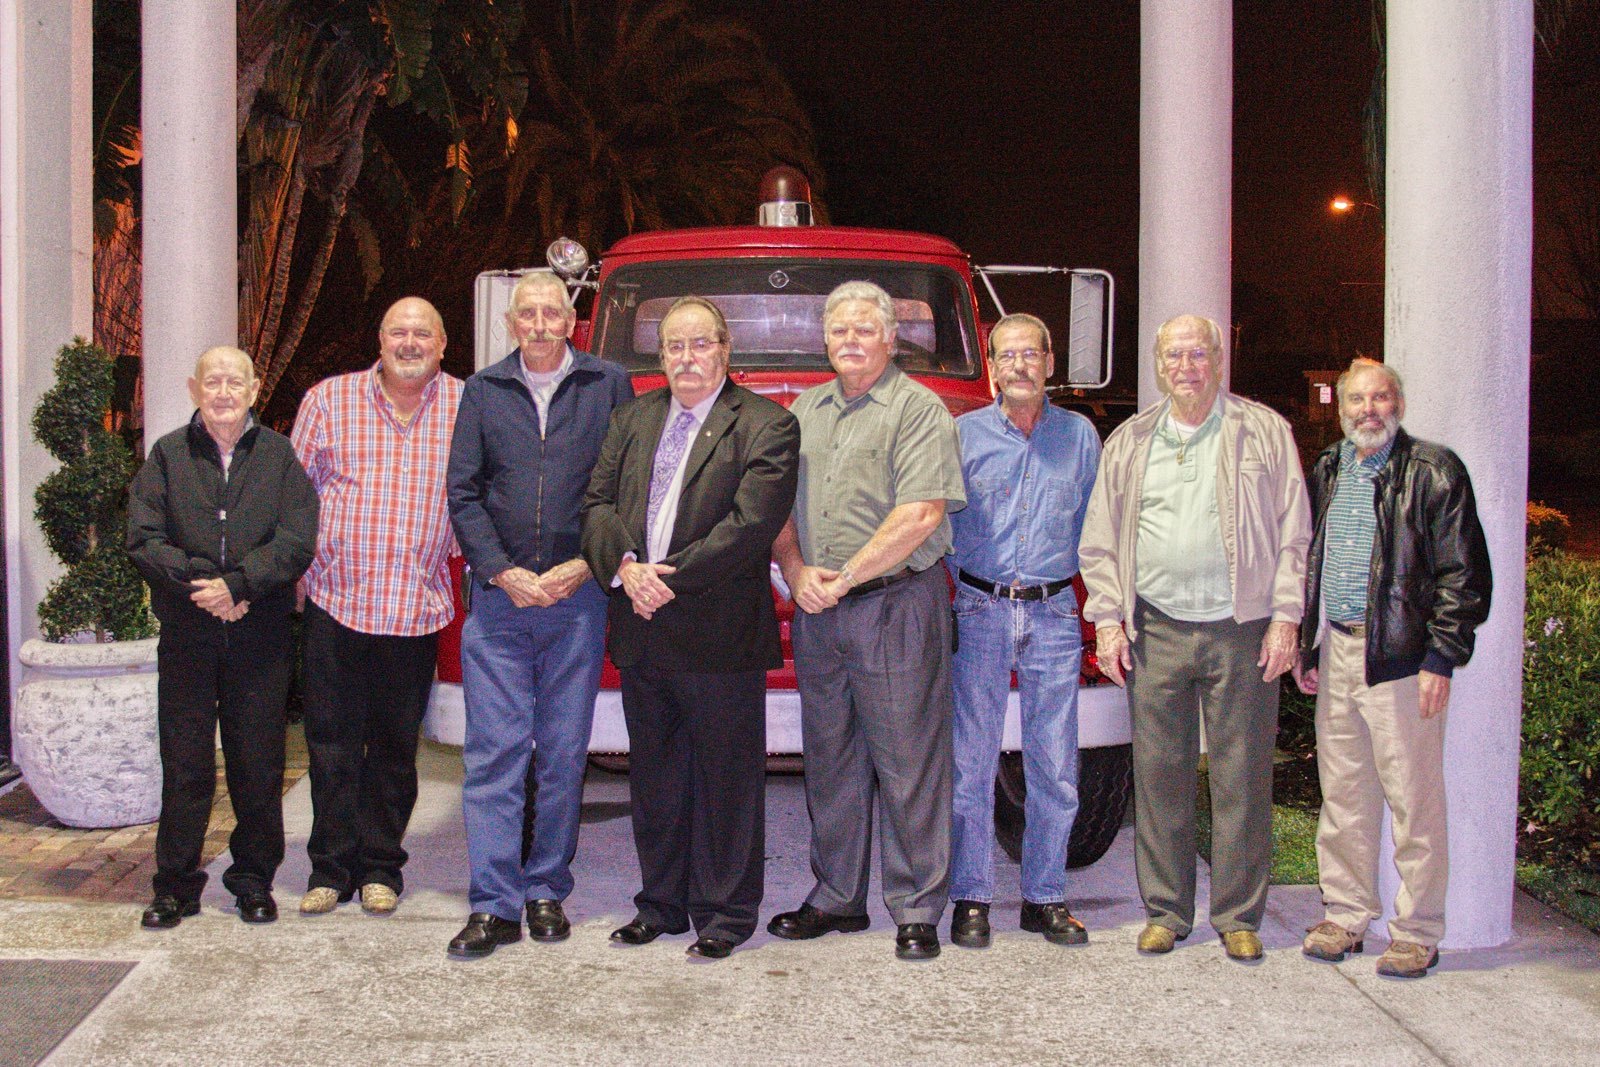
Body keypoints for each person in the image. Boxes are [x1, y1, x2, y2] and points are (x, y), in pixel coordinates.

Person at [1079, 313, 1310, 961]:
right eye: (1174, 354)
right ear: (1158, 364)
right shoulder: (1130, 440)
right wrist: (1107, 618)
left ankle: (1238, 913)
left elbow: (1295, 533)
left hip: (1243, 630)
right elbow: (1100, 537)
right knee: (1159, 773)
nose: (1187, 365)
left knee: (1241, 774)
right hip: (1155, 629)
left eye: (1198, 353)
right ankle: (1167, 910)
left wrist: (1286, 618)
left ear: (1219, 357)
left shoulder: (1264, 431)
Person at [582, 296, 800, 961]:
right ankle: (662, 905)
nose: (686, 357)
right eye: (673, 346)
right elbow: (595, 504)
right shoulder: (631, 419)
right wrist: (625, 566)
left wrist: (662, 578)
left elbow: (748, 528)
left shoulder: (767, 425)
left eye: (699, 344)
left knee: (727, 780)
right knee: (655, 777)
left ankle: (726, 912)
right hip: (644, 630)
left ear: (725, 349)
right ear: (661, 355)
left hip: (718, 633)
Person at [768, 280, 965, 961]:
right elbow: (780, 511)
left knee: (908, 761)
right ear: (825, 340)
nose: (850, 340)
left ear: (889, 338)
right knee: (831, 759)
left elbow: (922, 513)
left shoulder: (918, 409)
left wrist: (846, 577)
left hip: (895, 605)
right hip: (821, 609)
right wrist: (796, 574)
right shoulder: (804, 412)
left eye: (864, 329)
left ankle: (915, 906)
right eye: (839, 330)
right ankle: (837, 895)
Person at [442, 271, 632, 958]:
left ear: (571, 319)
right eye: (529, 314)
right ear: (512, 323)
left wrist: (586, 563)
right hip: (500, 603)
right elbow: (462, 493)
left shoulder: (606, 384)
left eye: (553, 312)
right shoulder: (483, 390)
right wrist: (503, 571)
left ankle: (546, 886)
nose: (541, 324)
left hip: (577, 600)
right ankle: (493, 904)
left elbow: (620, 486)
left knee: (559, 755)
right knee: (493, 756)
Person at [1294, 358, 1491, 979]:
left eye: (1379, 397)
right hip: (1340, 655)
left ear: (1397, 404)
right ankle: (1347, 914)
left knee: (1414, 801)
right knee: (1345, 795)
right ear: (1341, 407)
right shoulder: (1328, 466)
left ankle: (1417, 930)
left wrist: (1441, 657)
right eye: (1356, 400)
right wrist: (1309, 646)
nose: (1367, 410)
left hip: (1403, 662)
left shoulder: (1434, 471)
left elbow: (1465, 574)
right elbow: (1312, 561)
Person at [127, 346, 318, 928]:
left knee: (256, 763)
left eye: (235, 381)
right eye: (213, 382)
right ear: (194, 389)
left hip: (259, 632)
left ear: (254, 389)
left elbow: (296, 539)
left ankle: (252, 880)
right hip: (188, 632)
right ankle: (175, 885)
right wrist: (203, 586)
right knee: (184, 763)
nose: (224, 392)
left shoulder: (280, 456)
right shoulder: (166, 455)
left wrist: (239, 586)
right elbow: (142, 537)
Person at [291, 296, 463, 917]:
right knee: (331, 744)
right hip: (336, 602)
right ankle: (329, 870)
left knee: (395, 747)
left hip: (416, 607)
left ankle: (381, 868)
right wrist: (299, 574)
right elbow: (294, 495)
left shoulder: (467, 405)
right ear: (381, 339)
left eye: (423, 332)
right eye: (399, 331)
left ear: (443, 345)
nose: (410, 342)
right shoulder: (327, 402)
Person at [946, 313, 1100, 949]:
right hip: (980, 608)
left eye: (1030, 354)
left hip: (1055, 612)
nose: (1019, 366)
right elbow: (940, 525)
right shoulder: (963, 436)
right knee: (972, 762)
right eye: (1005, 356)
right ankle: (971, 896)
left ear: (1049, 360)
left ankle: (1045, 896)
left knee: (1055, 763)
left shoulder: (1081, 437)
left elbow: (1100, 530)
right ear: (991, 366)